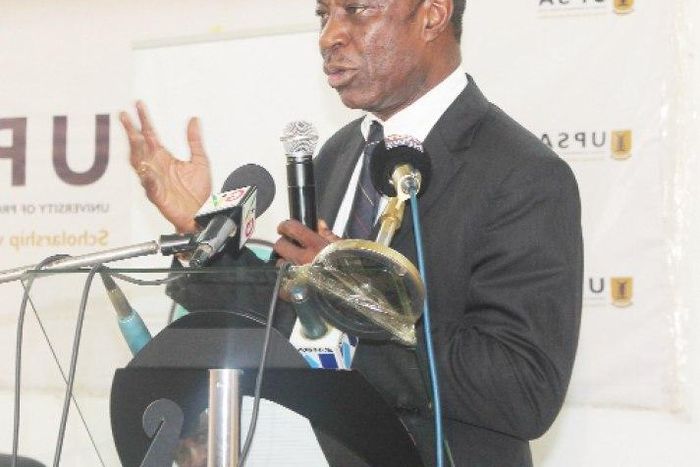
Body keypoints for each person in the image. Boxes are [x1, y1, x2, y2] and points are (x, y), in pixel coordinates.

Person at [120, 1, 583, 465]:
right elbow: (287, 320)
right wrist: (198, 228)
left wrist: (350, 293)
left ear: (433, 15)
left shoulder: (523, 174)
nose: (329, 37)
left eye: (358, 9)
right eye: (323, 15)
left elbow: (523, 389)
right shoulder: (340, 154)